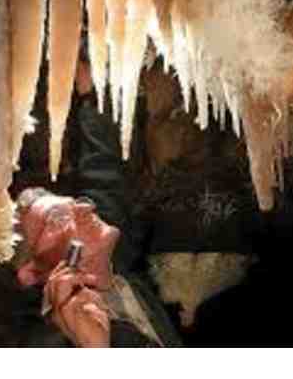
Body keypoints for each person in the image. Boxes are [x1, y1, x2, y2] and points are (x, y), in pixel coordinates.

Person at [13, 56, 182, 348]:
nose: (85, 207)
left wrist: (94, 94)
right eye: (57, 219)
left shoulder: (112, 270)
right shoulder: (53, 346)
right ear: (32, 272)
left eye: (75, 202)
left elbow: (105, 178)